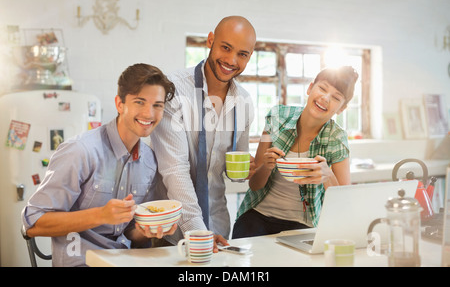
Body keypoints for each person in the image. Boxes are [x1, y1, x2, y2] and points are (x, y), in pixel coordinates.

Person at [22, 63, 176, 266]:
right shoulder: (80, 151)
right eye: (140, 102)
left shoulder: (149, 161)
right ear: (119, 104)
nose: (149, 113)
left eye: (158, 105)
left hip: (124, 261)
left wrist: (147, 230)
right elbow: (33, 222)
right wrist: (101, 215)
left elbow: (129, 232)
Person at [150, 16, 257, 250]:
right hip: (169, 230)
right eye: (225, 48)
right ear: (211, 40)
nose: (231, 60)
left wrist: (249, 169)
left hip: (217, 227)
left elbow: (232, 172)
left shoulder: (244, 102)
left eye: (242, 54)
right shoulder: (174, 91)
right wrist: (198, 232)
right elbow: (174, 169)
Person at [232, 66, 359, 239]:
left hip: (302, 223)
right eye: (322, 88)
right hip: (257, 215)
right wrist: (266, 167)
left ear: (342, 108)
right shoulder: (277, 117)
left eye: (336, 97)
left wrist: (327, 175)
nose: (325, 98)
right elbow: (254, 185)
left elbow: (343, 202)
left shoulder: (337, 138)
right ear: (310, 88)